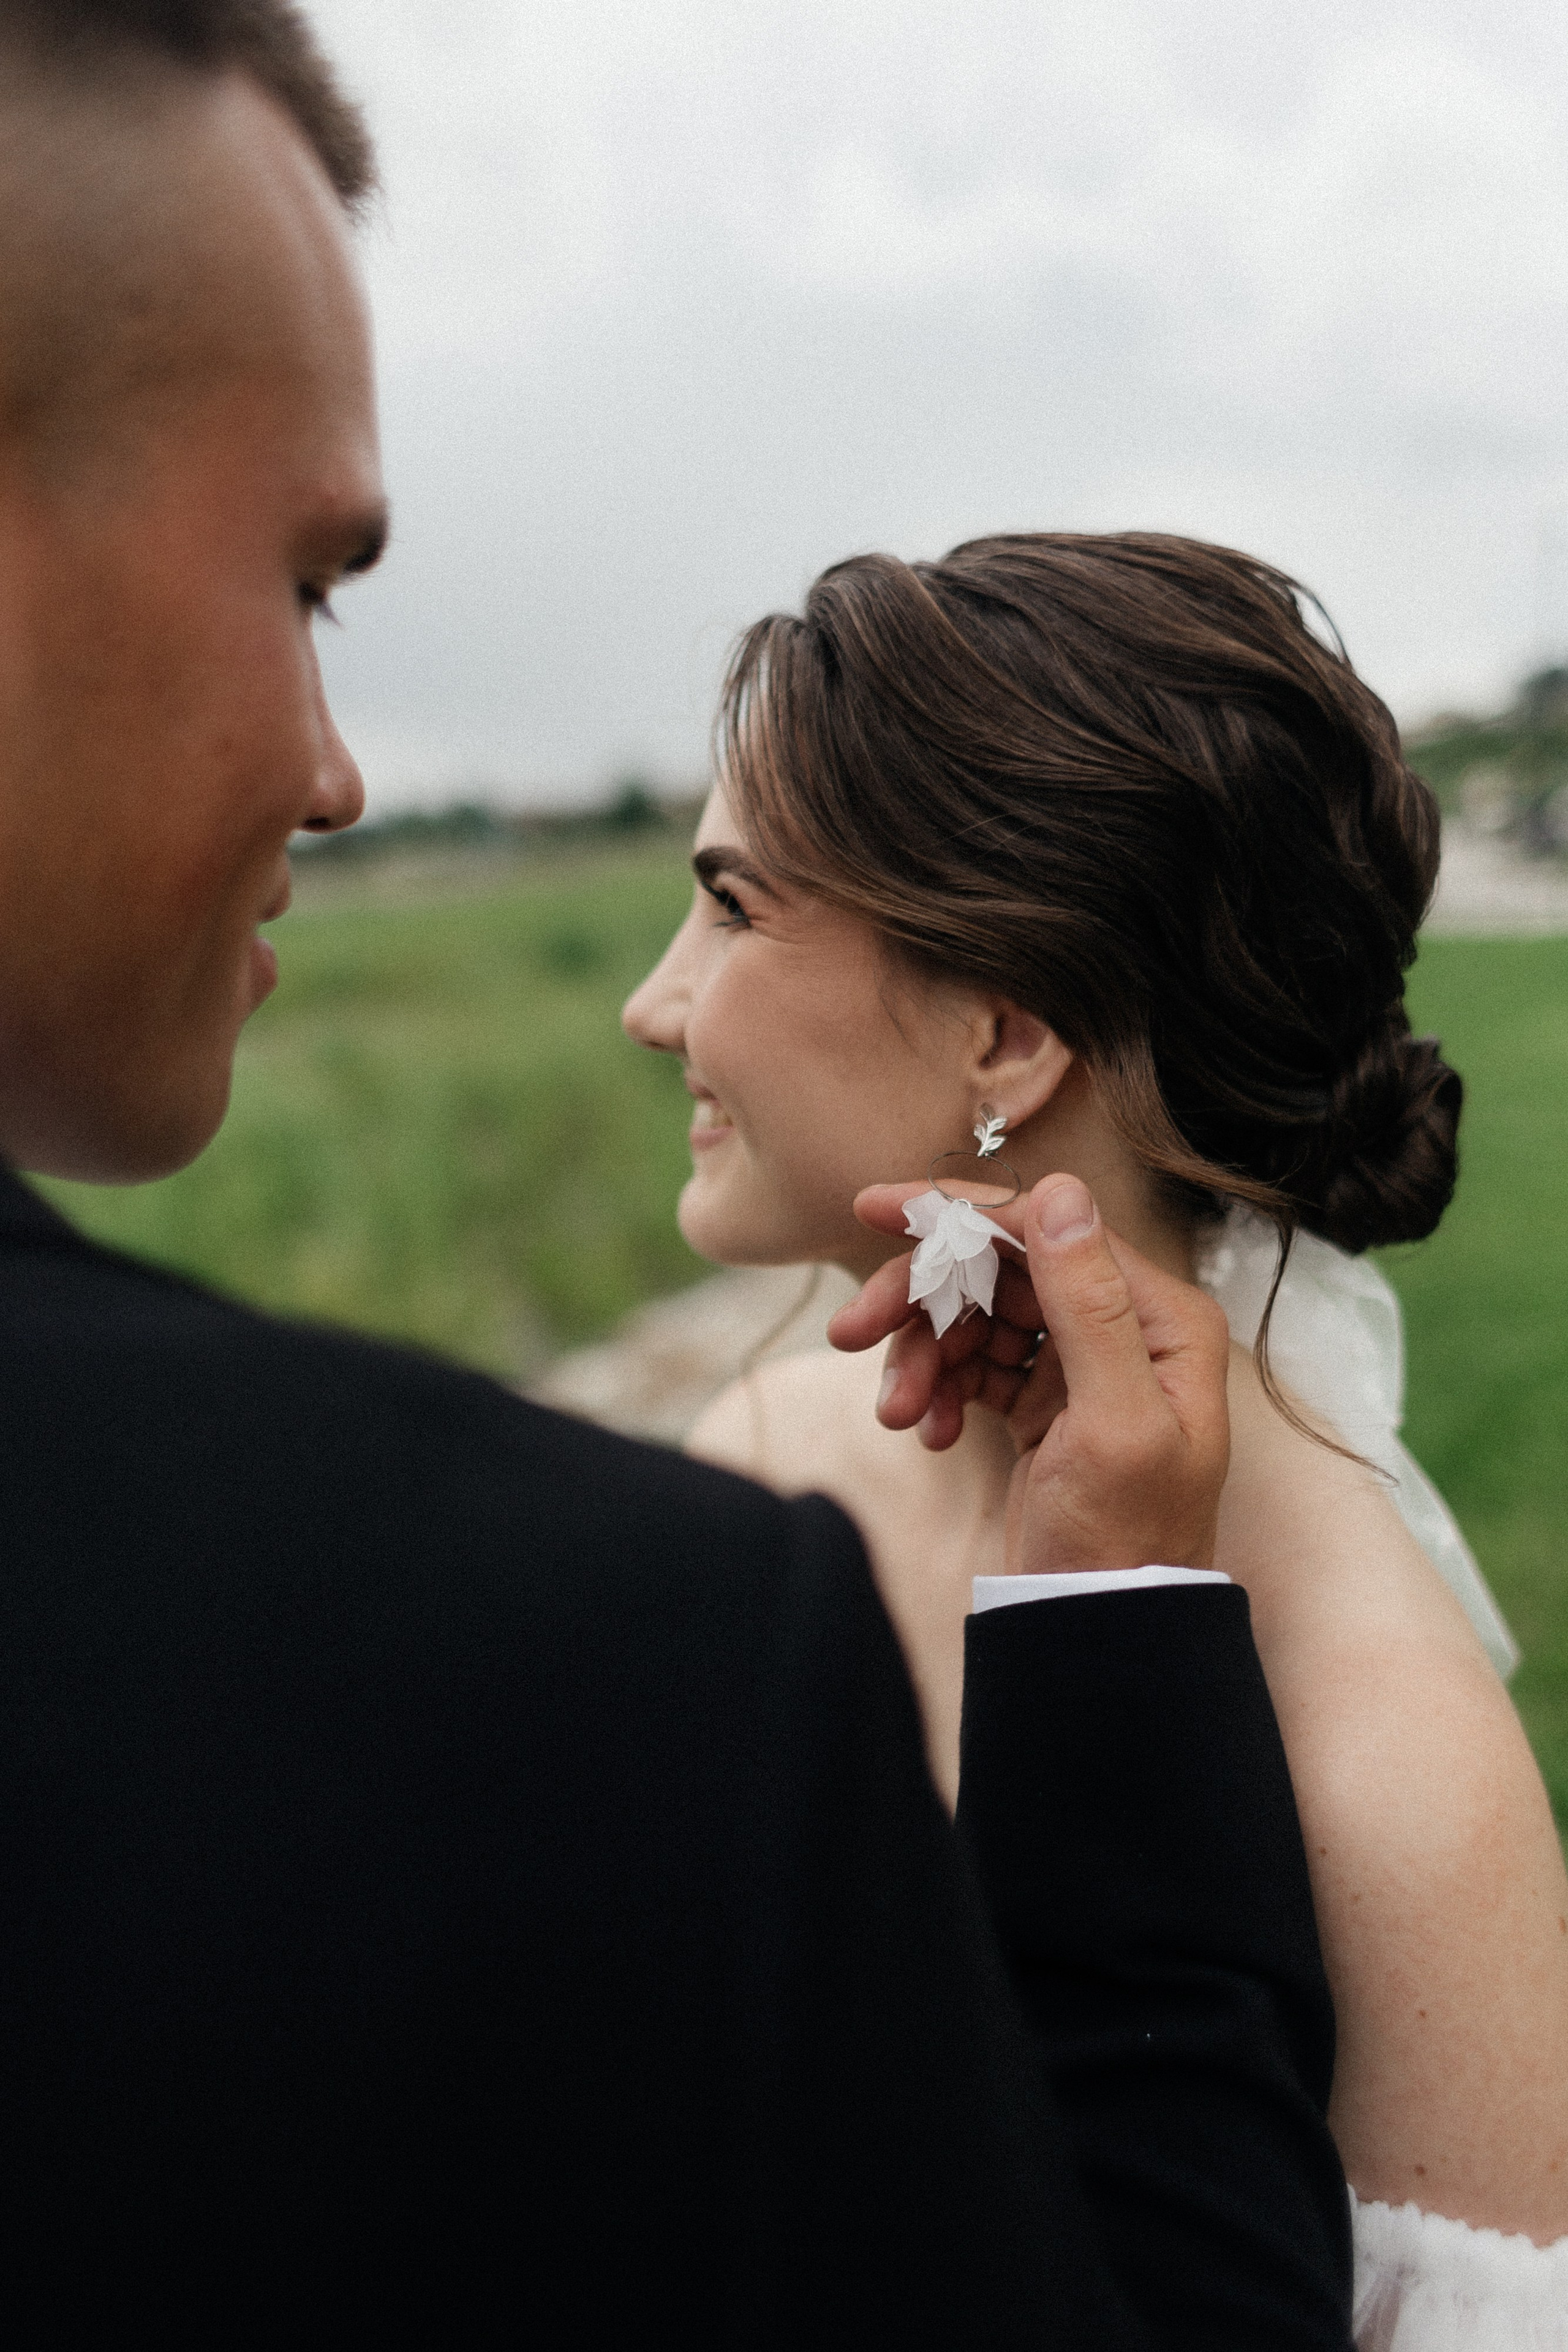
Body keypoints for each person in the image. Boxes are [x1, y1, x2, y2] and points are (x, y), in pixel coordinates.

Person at [0, 2, 1355, 2340]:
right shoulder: (612, 1665)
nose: (338, 774)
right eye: (311, 581)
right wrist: (1118, 1646)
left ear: (1016, 1034)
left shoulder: (1360, 1694)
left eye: (726, 909)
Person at [624, 533, 1568, 2342]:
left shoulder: (1384, 1781)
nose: (652, 1005)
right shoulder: (757, 1452)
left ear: (1004, 1033)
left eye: (732, 908)